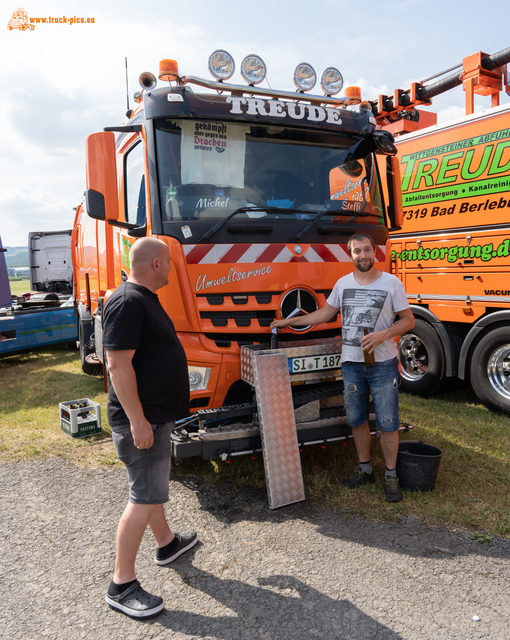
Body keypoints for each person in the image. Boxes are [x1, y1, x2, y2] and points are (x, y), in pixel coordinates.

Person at [271, 233, 414, 503]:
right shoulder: (343, 284)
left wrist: (383, 335)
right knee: (357, 420)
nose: (363, 255)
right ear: (350, 255)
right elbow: (324, 314)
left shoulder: (392, 283)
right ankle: (365, 471)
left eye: (367, 250)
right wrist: (287, 323)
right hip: (351, 364)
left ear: (375, 252)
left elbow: (408, 321)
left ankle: (391, 476)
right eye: (357, 251)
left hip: (382, 364)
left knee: (387, 423)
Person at [102, 237, 197, 618]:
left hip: (155, 416)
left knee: (152, 488)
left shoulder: (142, 299)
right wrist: (138, 421)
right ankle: (121, 585)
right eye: (170, 263)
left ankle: (167, 544)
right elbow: (117, 365)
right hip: (141, 421)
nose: (173, 268)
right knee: (143, 496)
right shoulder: (127, 302)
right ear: (156, 264)